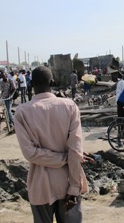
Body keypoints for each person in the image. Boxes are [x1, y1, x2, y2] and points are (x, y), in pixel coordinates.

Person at [14, 66, 88, 223]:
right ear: (52, 82)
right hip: (69, 182)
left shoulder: (21, 112)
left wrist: (64, 158)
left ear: (30, 84)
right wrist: (74, 186)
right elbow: (75, 150)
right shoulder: (70, 106)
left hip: (41, 187)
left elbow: (31, 153)